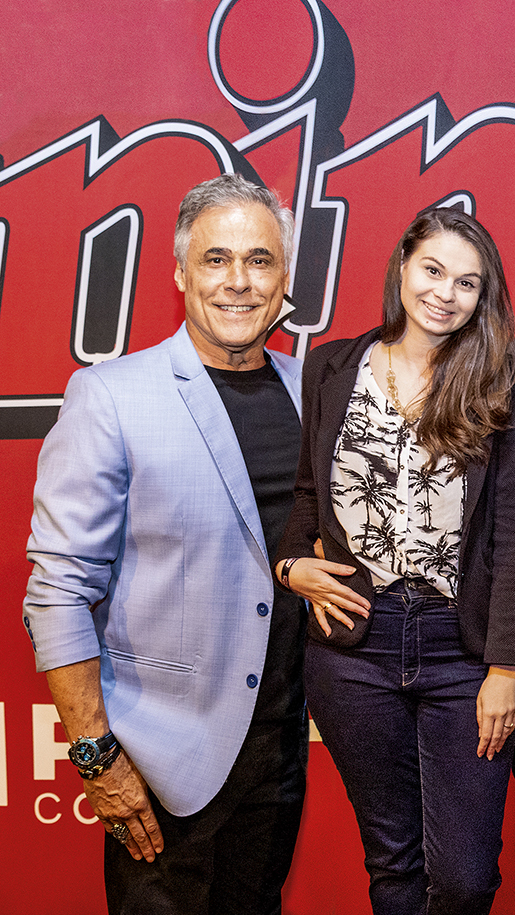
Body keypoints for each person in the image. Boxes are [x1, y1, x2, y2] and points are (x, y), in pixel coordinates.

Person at [23, 173, 305, 913]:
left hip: (278, 756)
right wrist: (94, 756)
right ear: (181, 273)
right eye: (216, 260)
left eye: (260, 260)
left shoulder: (316, 391)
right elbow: (56, 592)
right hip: (156, 766)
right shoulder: (113, 394)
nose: (238, 282)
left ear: (285, 277)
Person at [274, 206, 515, 915]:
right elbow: (307, 494)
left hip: (461, 643)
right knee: (393, 862)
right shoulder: (332, 365)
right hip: (352, 642)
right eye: (433, 271)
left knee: (463, 877)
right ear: (402, 267)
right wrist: (290, 565)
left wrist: (505, 666)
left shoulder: (502, 381)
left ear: (483, 297)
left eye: (466, 282)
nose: (445, 293)